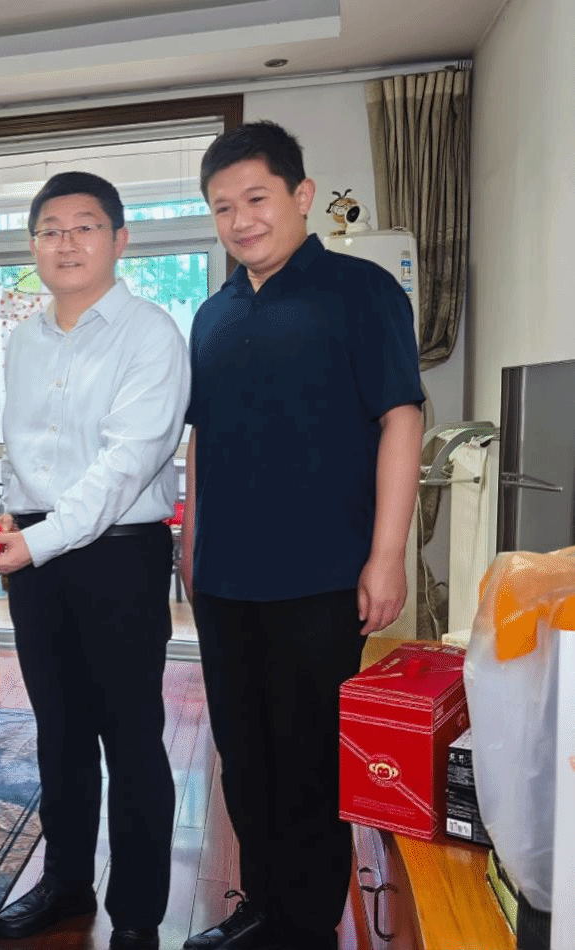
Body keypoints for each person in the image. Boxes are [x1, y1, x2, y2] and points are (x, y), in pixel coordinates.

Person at [181, 121, 423, 950]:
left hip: (322, 575)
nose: (240, 220)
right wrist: (190, 543)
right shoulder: (212, 315)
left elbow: (401, 418)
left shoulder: (361, 290)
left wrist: (386, 555)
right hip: (224, 579)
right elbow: (202, 440)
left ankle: (308, 927)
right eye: (222, 207)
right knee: (244, 759)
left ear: (302, 195)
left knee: (309, 759)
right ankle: (264, 906)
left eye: (256, 198)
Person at [0, 171, 190, 950]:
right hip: (36, 554)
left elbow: (127, 463)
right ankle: (66, 883)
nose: (66, 242)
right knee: (58, 733)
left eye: (85, 226)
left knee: (130, 738)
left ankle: (136, 913)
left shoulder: (151, 333)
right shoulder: (25, 339)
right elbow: (31, 450)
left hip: (119, 555)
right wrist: (16, 516)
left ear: (119, 239)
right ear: (33, 245)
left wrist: (35, 539)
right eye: (49, 229)